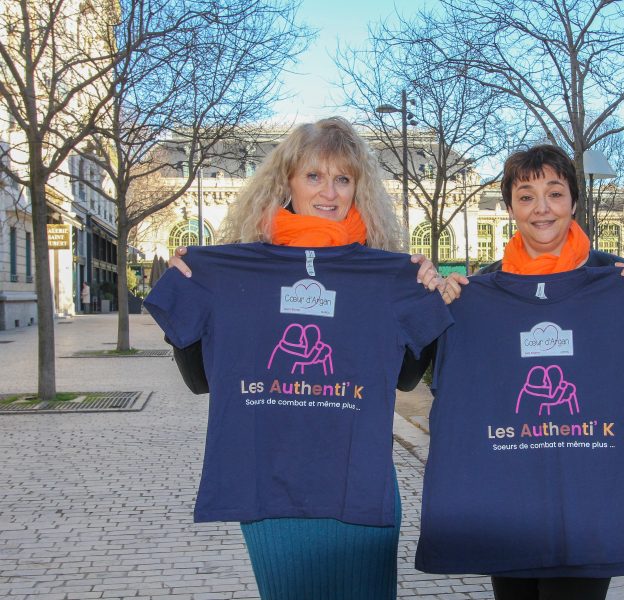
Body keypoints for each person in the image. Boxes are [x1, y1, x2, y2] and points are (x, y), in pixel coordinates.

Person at [146, 117, 451, 600]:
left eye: (342, 178)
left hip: (358, 486)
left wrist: (424, 295)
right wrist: (192, 294)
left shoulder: (386, 274)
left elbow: (407, 378)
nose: (328, 191)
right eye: (314, 176)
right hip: (269, 488)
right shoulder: (233, 267)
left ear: (359, 189)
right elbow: (202, 382)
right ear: (286, 182)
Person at [409, 145, 624, 600]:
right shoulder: (479, 290)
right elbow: (417, 376)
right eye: (526, 196)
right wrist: (435, 308)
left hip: (588, 502)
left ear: (574, 202)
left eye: (555, 193)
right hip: (509, 500)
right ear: (510, 208)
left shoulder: (621, 281)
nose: (542, 208)